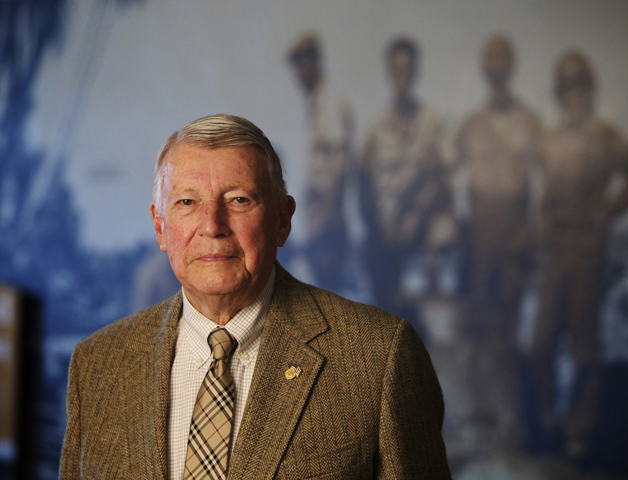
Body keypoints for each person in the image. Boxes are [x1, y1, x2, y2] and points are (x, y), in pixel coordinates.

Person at [59, 114, 450, 479]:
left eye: (239, 200)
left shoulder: (379, 357)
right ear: (160, 227)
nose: (212, 225)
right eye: (187, 202)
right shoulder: (97, 366)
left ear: (282, 220)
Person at [529, 52, 628, 457]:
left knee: (584, 343)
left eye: (580, 88)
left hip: (587, 248)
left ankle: (581, 434)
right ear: (559, 94)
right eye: (567, 90)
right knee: (542, 342)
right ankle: (549, 425)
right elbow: (547, 193)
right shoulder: (551, 139)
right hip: (557, 251)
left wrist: (608, 211)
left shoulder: (604, 135)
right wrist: (544, 220)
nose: (574, 97)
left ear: (590, 91)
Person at [455, 34, 543, 450]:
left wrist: (535, 232)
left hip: (516, 245)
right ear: (484, 69)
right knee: (479, 329)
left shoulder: (530, 123)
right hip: (479, 247)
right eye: (491, 60)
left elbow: (548, 182)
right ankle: (482, 423)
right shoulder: (471, 125)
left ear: (512, 66)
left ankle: (515, 427)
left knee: (511, 331)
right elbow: (450, 178)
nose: (497, 67)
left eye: (503, 60)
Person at [361, 37, 455, 321]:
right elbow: (366, 189)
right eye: (396, 70)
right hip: (388, 238)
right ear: (389, 74)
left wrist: (416, 215)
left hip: (423, 234)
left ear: (416, 73)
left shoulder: (434, 122)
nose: (402, 77)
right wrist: (382, 225)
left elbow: (445, 182)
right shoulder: (376, 128)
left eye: (408, 70)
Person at [287, 33, 352, 291]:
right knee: (319, 284)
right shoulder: (314, 105)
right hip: (316, 210)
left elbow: (340, 160)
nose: (299, 74)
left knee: (329, 287)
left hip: (328, 210)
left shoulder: (331, 102)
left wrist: (327, 213)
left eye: (301, 65)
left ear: (313, 63)